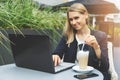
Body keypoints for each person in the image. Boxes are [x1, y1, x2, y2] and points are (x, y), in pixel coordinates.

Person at [52, 3, 110, 80]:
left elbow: (105, 67)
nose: (73, 22)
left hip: (91, 76)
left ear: (85, 15)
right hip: (70, 76)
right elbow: (57, 53)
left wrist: (96, 47)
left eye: (76, 18)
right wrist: (55, 55)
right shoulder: (68, 35)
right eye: (71, 19)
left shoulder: (100, 36)